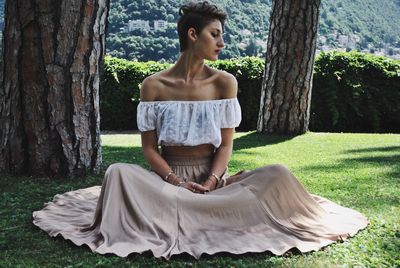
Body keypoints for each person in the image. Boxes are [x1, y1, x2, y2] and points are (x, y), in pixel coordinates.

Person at [33, 1, 368, 260]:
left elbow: (225, 146)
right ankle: (197, 210)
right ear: (193, 35)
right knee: (119, 173)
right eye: (215, 34)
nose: (222, 42)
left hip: (214, 181)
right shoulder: (154, 85)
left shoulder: (225, 83)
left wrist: (210, 182)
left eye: (221, 35)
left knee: (277, 173)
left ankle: (205, 207)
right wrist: (177, 182)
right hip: (165, 183)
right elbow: (149, 150)